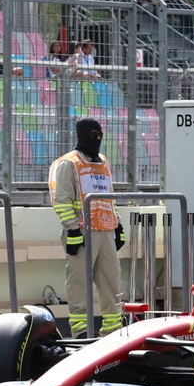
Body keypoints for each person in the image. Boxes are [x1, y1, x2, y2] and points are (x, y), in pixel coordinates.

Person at [51, 118, 124, 336]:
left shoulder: (103, 161)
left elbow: (109, 198)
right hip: (81, 232)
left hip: (106, 231)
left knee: (111, 283)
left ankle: (112, 331)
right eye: (94, 134)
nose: (98, 138)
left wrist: (118, 225)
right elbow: (62, 200)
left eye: (101, 133)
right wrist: (72, 230)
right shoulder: (69, 163)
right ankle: (81, 333)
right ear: (81, 135)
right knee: (79, 284)